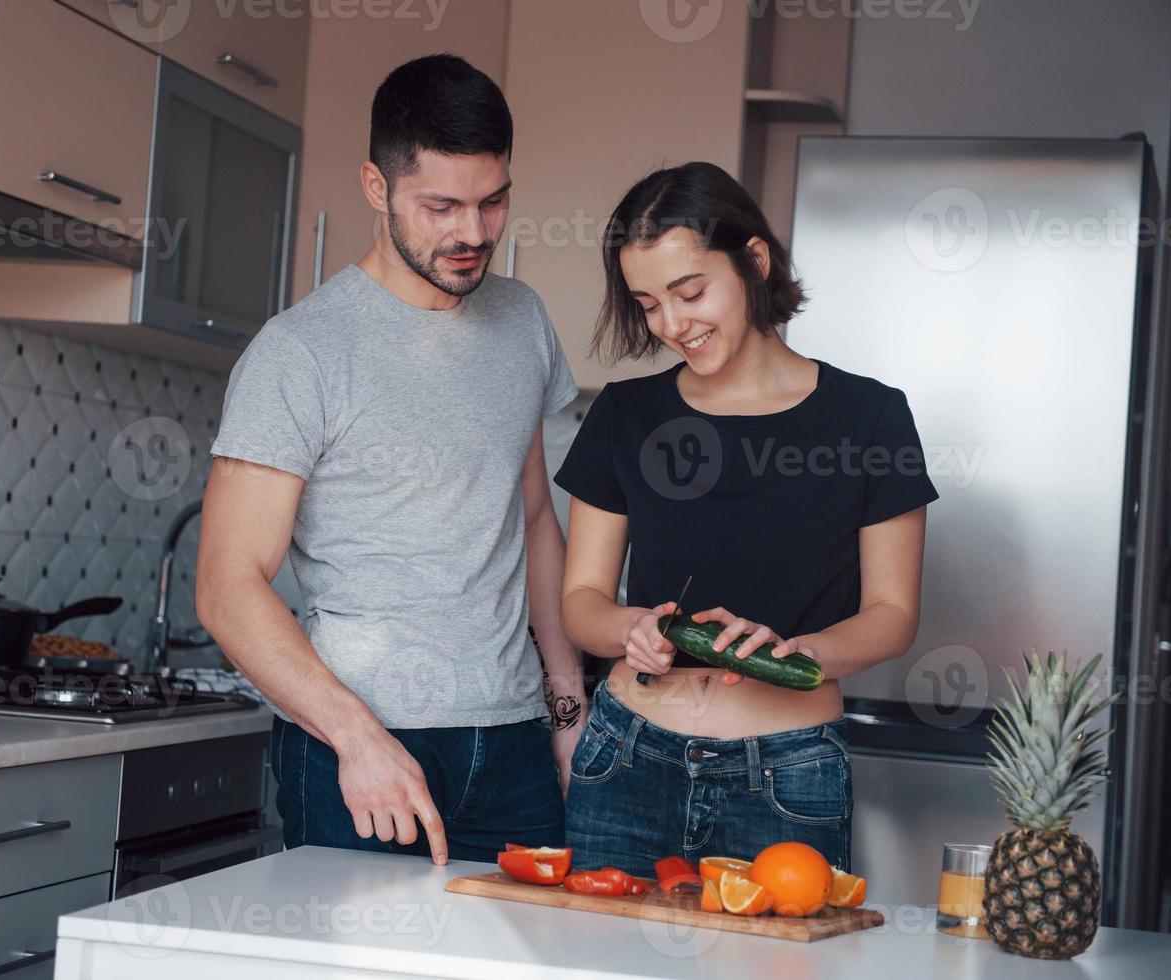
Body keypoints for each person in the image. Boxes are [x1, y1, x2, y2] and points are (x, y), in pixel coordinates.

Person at [196, 54, 584, 866]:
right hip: (363, 744)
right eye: (440, 206)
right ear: (376, 187)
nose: (472, 234)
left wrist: (565, 700)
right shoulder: (299, 351)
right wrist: (356, 738)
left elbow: (535, 516)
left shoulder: (521, 320)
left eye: (492, 201)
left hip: (512, 739)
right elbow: (227, 588)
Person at [554, 162, 938, 877]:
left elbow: (892, 613)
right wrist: (629, 630)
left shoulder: (870, 415)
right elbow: (581, 602)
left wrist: (801, 652)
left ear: (754, 261)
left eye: (689, 292)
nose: (672, 325)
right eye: (647, 304)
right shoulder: (624, 414)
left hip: (787, 776)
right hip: (625, 758)